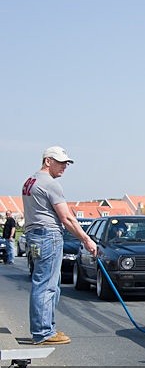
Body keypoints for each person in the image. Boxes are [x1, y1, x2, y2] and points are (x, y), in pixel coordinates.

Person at [22, 146, 97, 345]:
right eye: (61, 162)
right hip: (48, 235)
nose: (64, 166)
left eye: (66, 163)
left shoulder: (30, 181)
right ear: (48, 161)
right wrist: (86, 240)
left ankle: (46, 327)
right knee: (47, 285)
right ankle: (43, 332)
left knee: (46, 283)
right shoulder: (50, 184)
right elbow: (67, 218)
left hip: (34, 234)